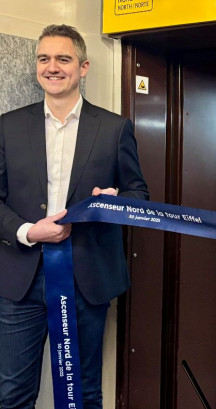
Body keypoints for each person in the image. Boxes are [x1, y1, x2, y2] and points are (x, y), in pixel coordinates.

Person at [0, 24, 149, 409]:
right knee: (12, 394)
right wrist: (28, 230)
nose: (52, 67)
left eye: (63, 59)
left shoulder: (115, 128)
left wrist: (116, 201)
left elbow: (139, 196)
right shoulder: (8, 126)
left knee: (82, 393)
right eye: (44, 58)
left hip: (87, 278)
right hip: (21, 281)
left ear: (82, 67)